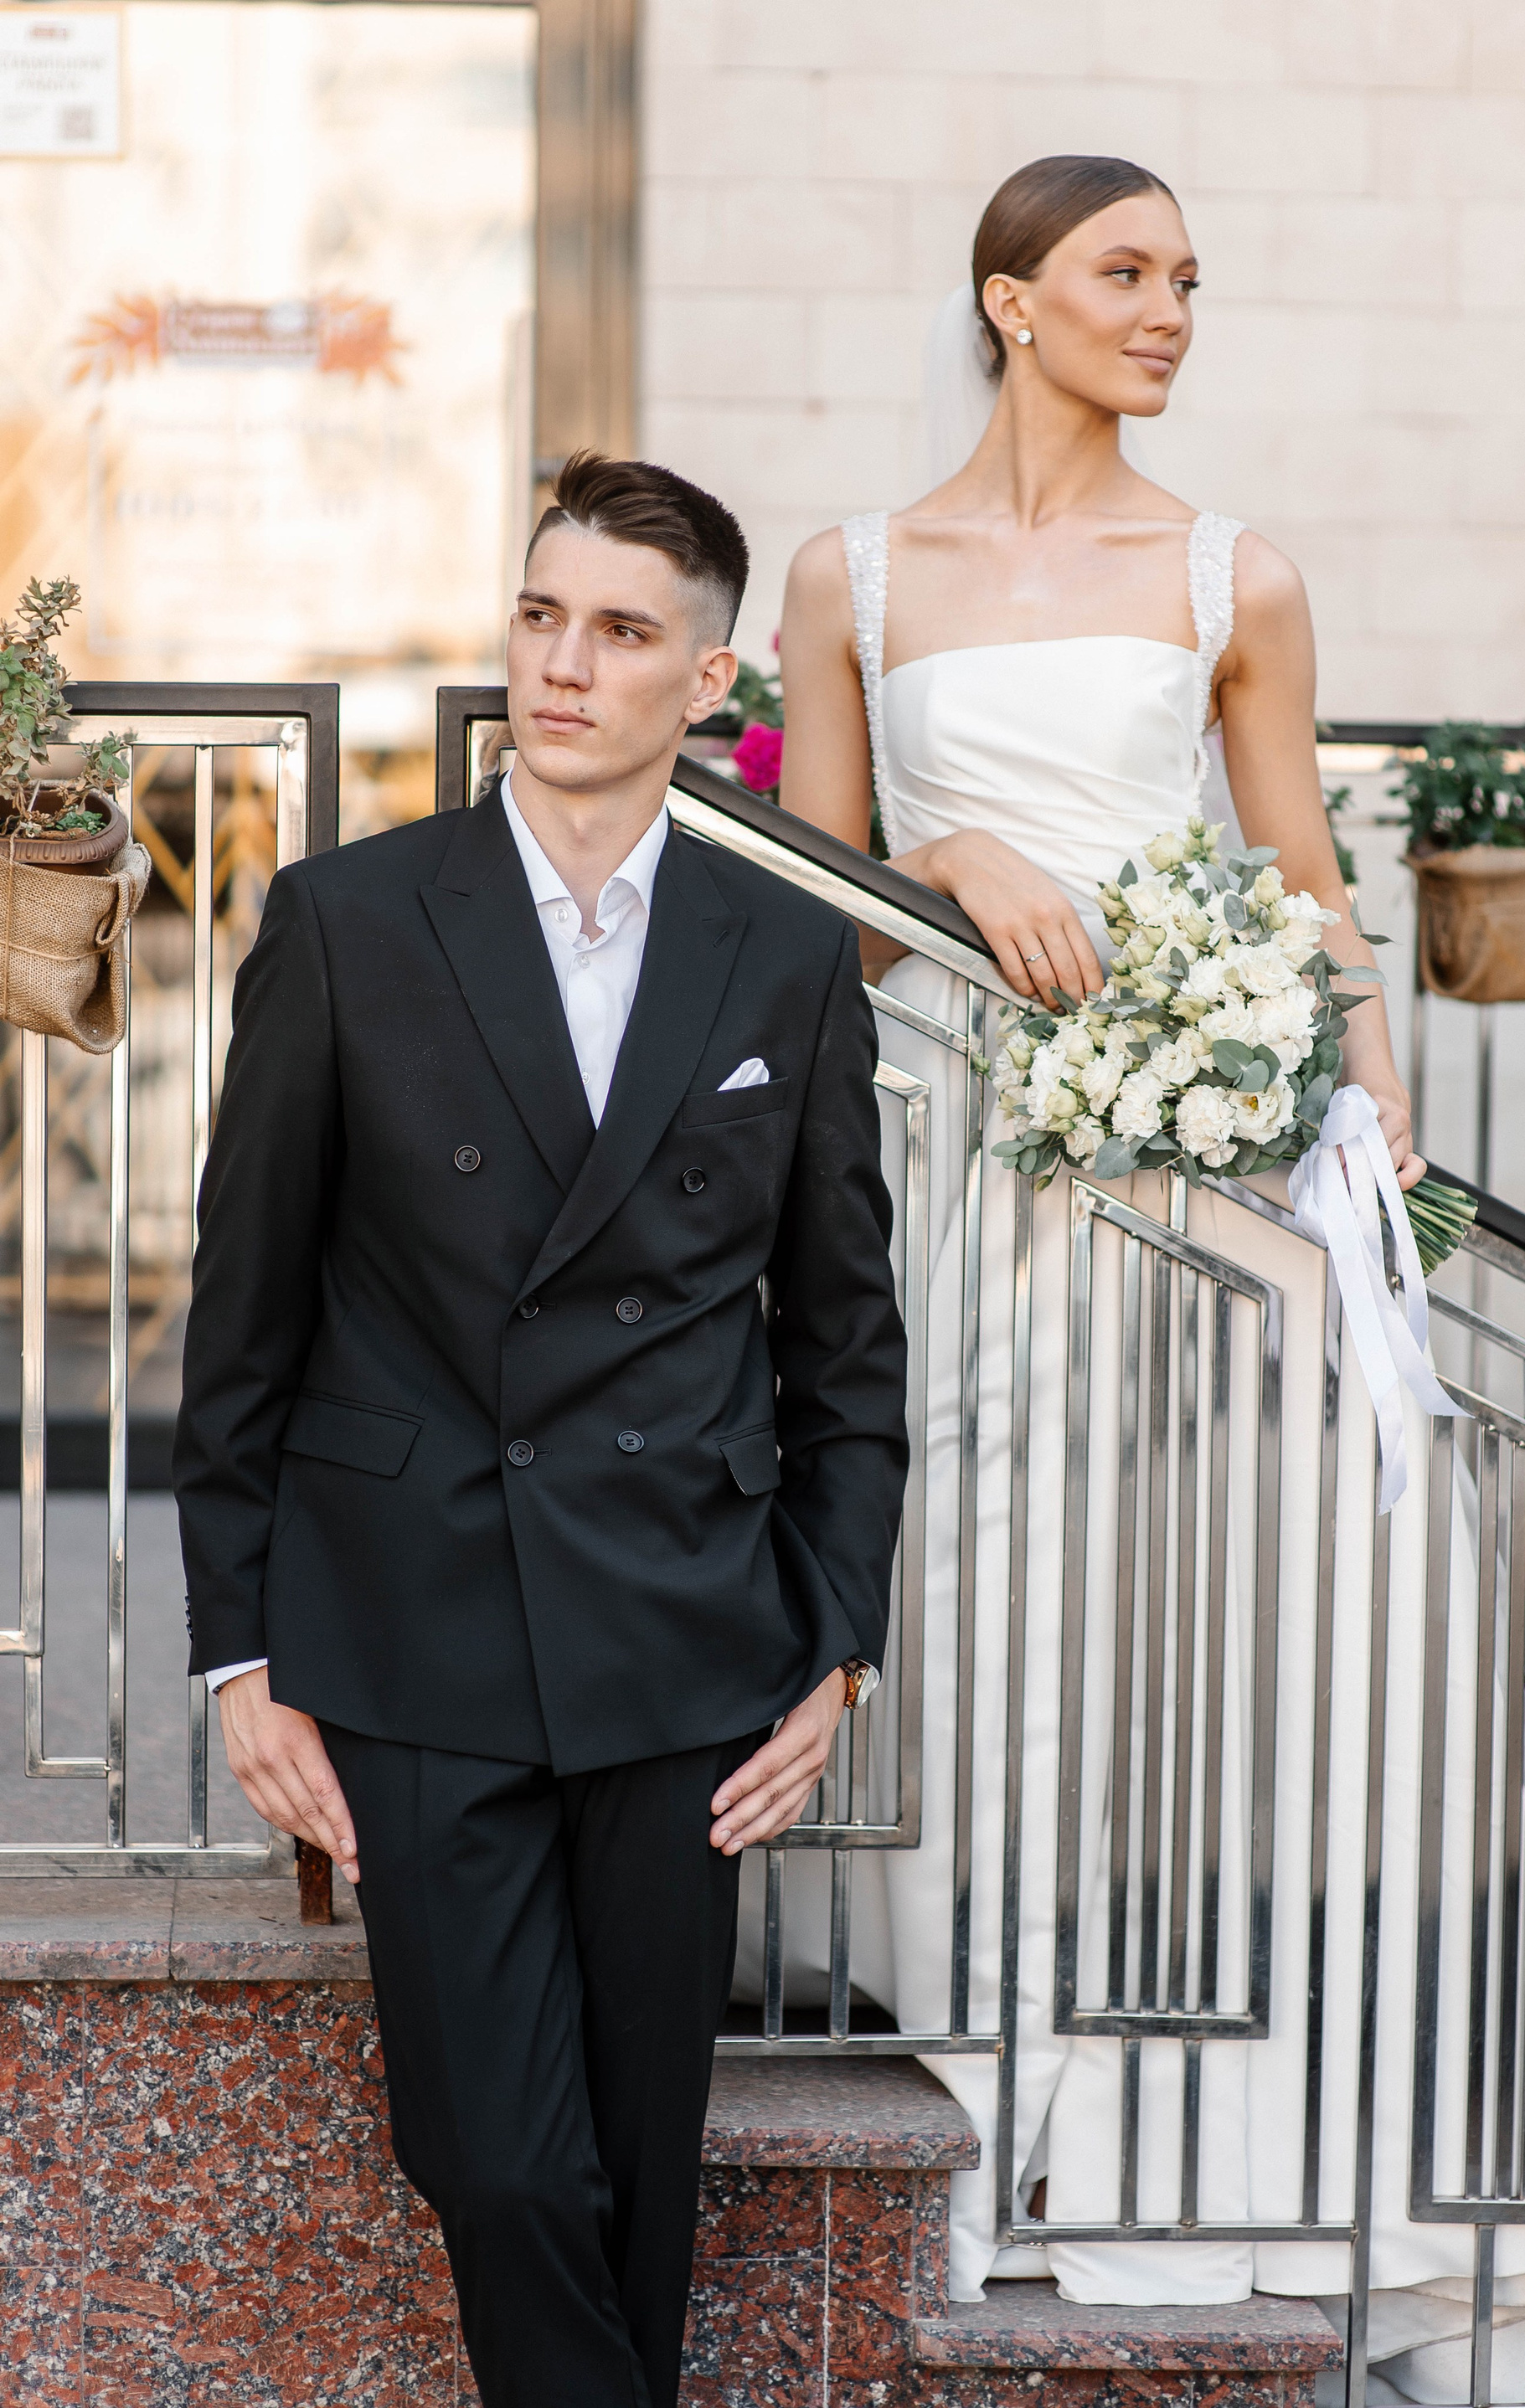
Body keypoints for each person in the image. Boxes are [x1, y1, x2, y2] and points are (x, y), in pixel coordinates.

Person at [775, 157, 1525, 2401]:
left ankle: (1219, 2096)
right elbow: (818, 907)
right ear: (1009, 300)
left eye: (1187, 282)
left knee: (1218, 1627)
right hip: (976, 1167)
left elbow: (1301, 873)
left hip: (1210, 1180)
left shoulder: (1241, 572)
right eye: (1125, 275)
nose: (1169, 313)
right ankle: (1016, 2068)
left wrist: (1371, 1104)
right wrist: (950, 855)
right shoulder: (851, 574)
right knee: (998, 1595)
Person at [173, 450, 908, 2408]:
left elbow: (848, 1344)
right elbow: (243, 1318)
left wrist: (838, 1639)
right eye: (541, 615)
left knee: (640, 2181)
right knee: (497, 2159)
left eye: (622, 630)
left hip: (684, 1635)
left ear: (711, 681)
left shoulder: (785, 951)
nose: (565, 665)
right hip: (414, 1625)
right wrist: (241, 1650)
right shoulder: (348, 920)